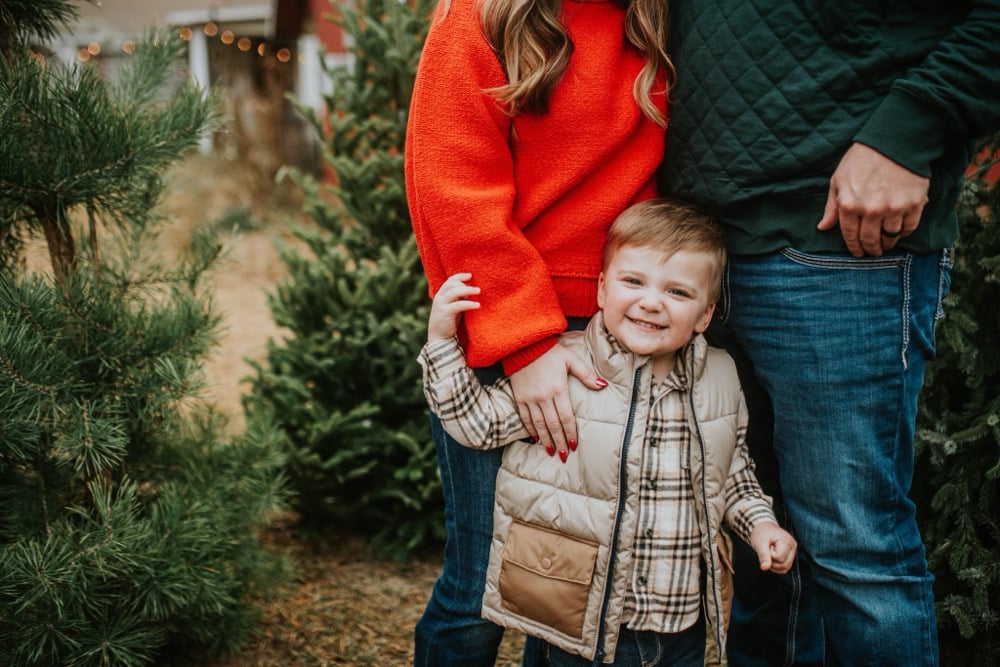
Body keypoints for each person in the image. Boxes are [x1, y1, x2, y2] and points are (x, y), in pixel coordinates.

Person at [658, 2, 1000, 665]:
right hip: (705, 245)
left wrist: (909, 130)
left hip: (840, 241)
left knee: (854, 549)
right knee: (762, 542)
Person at [404, 0, 674, 662]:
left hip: (624, 332)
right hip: (508, 332)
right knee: (480, 584)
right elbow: (451, 185)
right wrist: (524, 345)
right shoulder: (479, 15)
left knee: (574, 591)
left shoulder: (656, 17)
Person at [419, 198, 797, 666]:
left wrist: (760, 525)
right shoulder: (566, 369)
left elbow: (732, 475)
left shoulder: (719, 379)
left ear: (705, 315)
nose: (651, 301)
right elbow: (478, 424)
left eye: (678, 292)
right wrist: (442, 343)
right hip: (579, 622)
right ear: (601, 289)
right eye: (633, 282)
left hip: (680, 626)